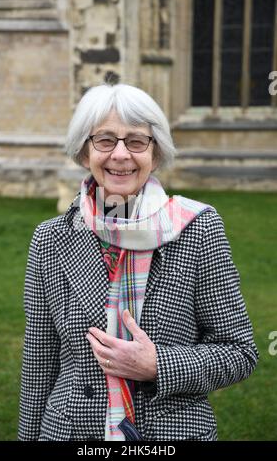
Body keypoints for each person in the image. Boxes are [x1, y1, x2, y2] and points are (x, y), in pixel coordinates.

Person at [18, 82, 258, 441]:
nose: (120, 154)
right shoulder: (50, 239)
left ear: (155, 153)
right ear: (85, 153)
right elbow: (39, 363)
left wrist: (157, 365)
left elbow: (239, 352)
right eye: (104, 140)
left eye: (136, 141)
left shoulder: (199, 228)